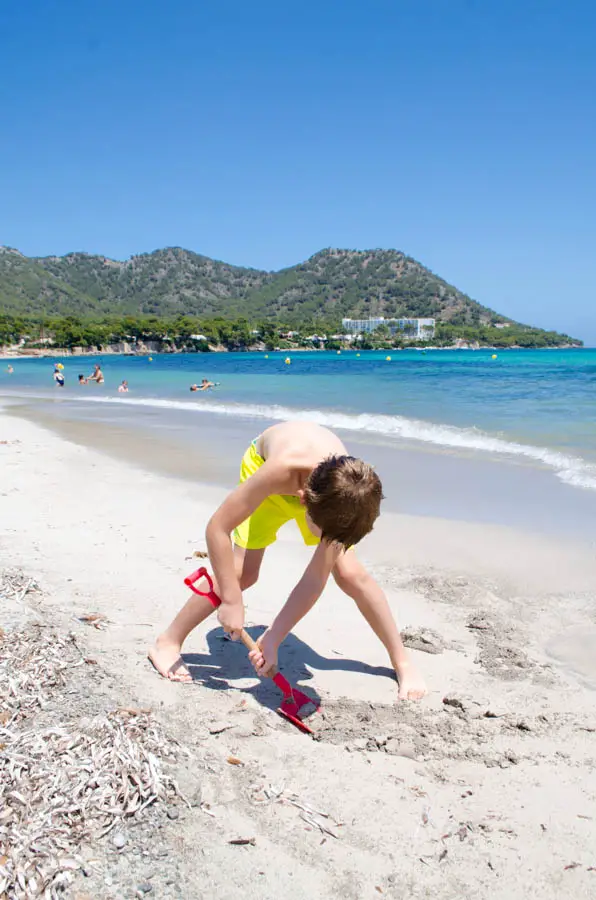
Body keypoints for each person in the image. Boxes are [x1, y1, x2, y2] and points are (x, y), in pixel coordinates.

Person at [149, 421, 427, 701]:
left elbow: (314, 579)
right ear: (304, 501)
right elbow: (217, 528)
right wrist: (232, 601)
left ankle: (401, 661)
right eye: (327, 537)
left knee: (350, 574)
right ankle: (168, 642)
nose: (329, 543)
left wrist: (272, 639)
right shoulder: (278, 471)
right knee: (241, 574)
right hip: (265, 469)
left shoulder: (353, 491)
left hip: (325, 493)